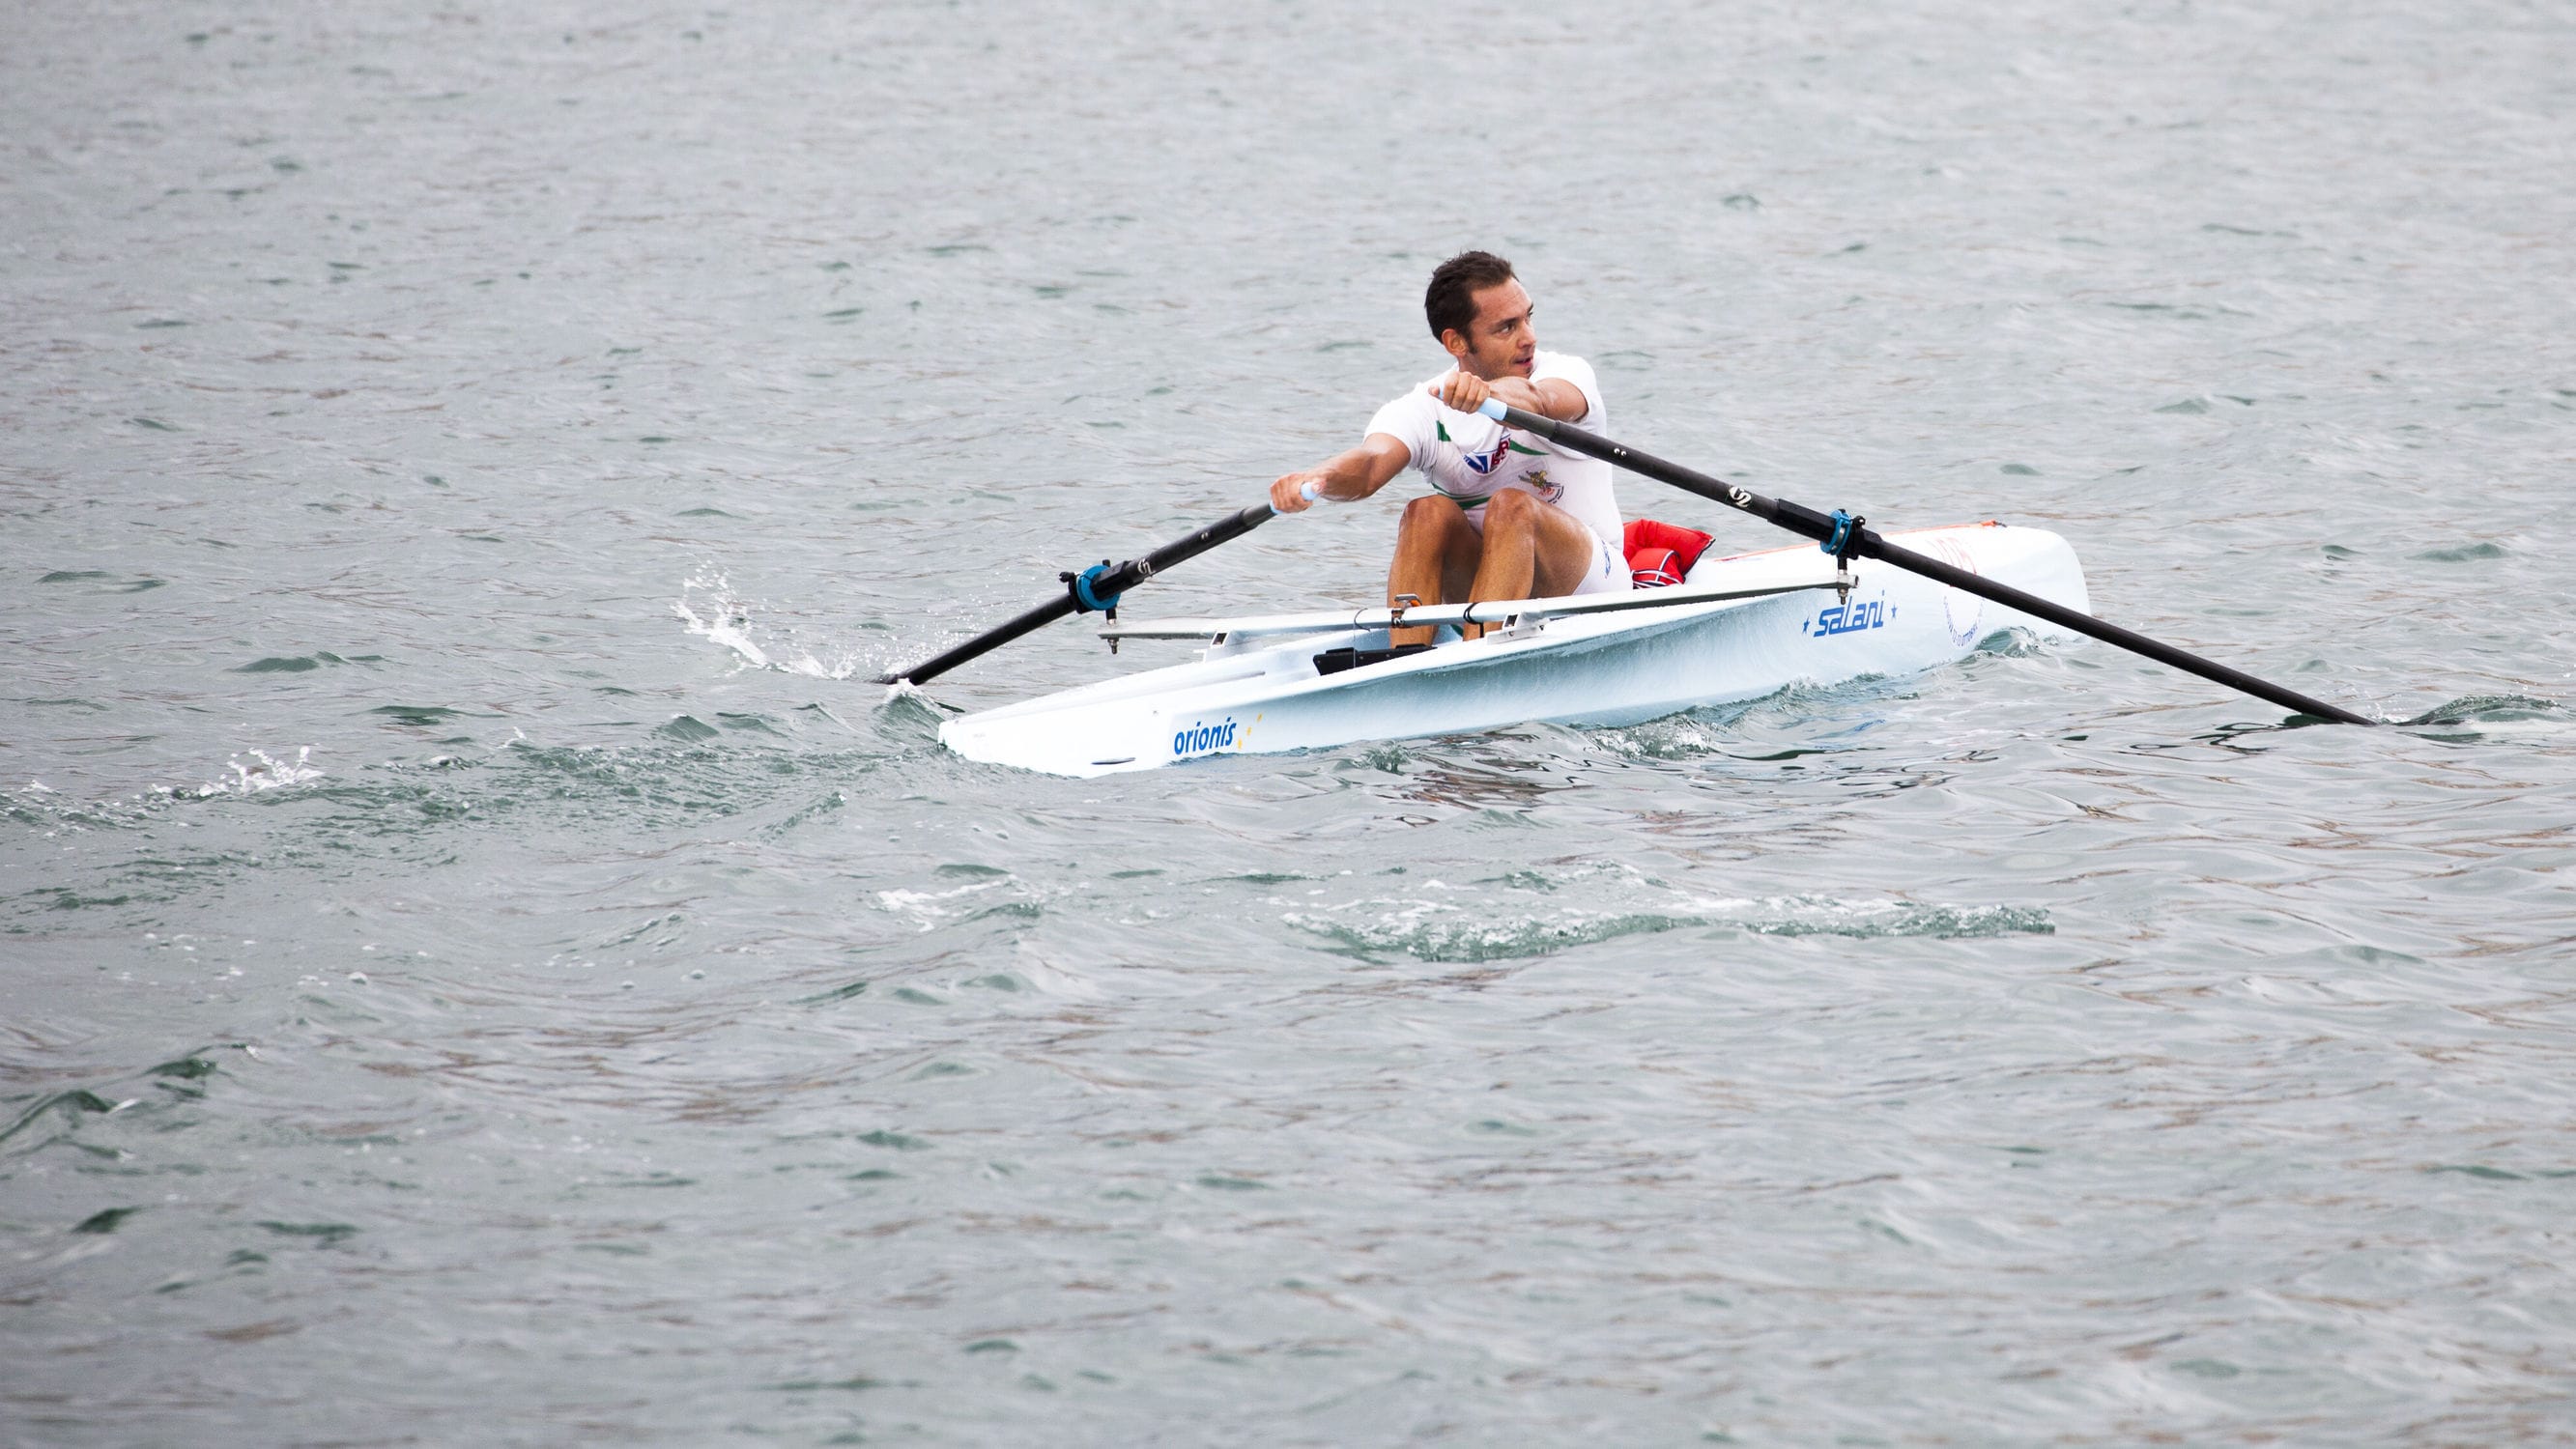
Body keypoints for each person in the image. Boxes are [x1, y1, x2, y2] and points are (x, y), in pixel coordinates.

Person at [1269, 251, 1627, 645]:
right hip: (1493, 586)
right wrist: (1319, 478)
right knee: (1426, 513)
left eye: (1528, 317)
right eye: (1507, 328)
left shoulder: (1565, 372)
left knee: (1513, 507)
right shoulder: (1425, 406)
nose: (1529, 337)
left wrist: (1489, 395)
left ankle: (1478, 656)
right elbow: (1370, 466)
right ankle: (1405, 660)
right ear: (1456, 342)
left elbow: (1537, 400)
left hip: (1593, 585)